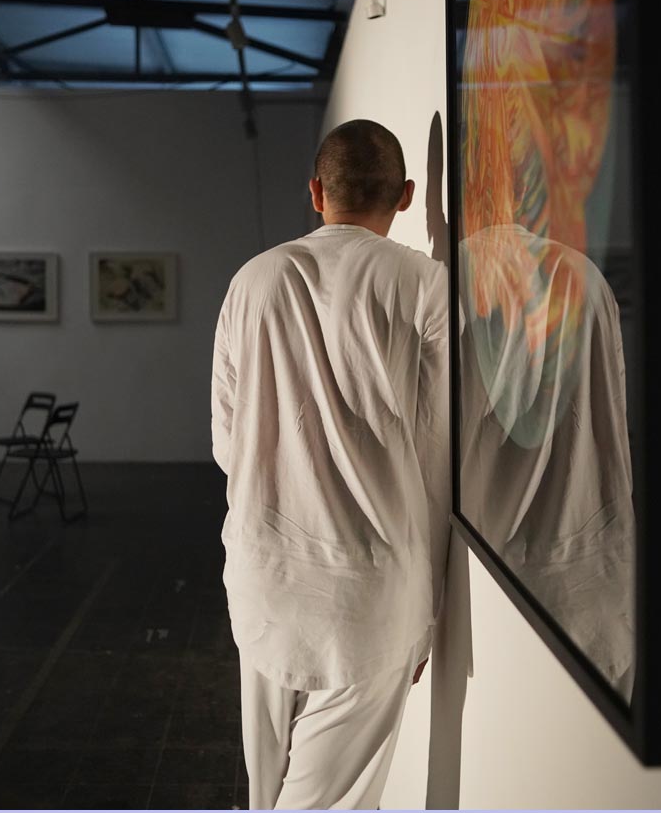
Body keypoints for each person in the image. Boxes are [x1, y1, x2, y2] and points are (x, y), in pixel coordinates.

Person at [211, 119, 451, 810]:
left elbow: (228, 442)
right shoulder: (425, 284)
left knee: (266, 789)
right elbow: (438, 451)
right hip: (370, 596)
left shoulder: (252, 280)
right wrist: (428, 607)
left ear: (316, 192)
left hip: (266, 576)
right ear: (406, 196)